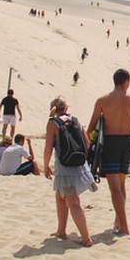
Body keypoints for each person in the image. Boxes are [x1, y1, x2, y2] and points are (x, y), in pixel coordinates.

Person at [86, 69, 130, 237]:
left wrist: (88, 146)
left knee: (114, 187)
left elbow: (91, 126)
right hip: (126, 143)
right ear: (126, 81)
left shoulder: (102, 101)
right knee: (121, 186)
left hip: (110, 143)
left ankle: (124, 226)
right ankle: (118, 221)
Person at [44, 96, 97, 247]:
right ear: (66, 108)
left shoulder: (52, 124)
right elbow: (87, 143)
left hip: (64, 167)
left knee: (72, 201)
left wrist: (46, 165)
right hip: (79, 165)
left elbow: (48, 148)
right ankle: (61, 230)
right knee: (60, 196)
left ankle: (87, 239)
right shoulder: (76, 120)